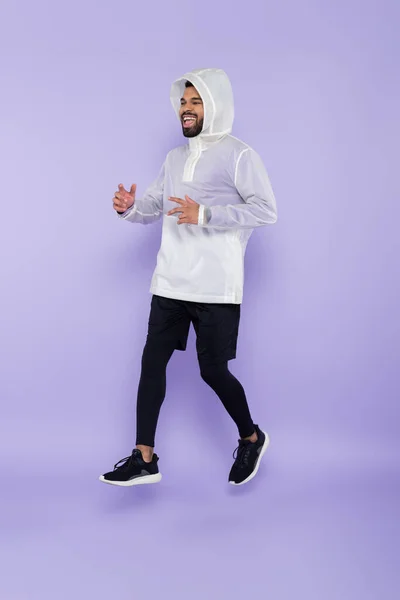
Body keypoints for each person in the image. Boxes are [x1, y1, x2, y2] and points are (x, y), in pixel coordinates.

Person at [99, 68, 277, 488]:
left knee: (212, 371)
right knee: (151, 362)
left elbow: (266, 210)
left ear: (214, 106)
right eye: (183, 102)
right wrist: (129, 207)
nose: (186, 109)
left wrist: (207, 214)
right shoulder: (175, 158)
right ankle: (144, 457)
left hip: (216, 285)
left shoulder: (240, 155)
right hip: (171, 279)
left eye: (196, 102)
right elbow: (155, 206)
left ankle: (251, 437)